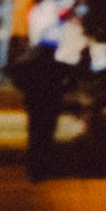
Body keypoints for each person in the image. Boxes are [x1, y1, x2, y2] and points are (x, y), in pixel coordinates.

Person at [10, 41, 70, 179]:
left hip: (35, 103)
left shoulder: (31, 65)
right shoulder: (56, 66)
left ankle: (34, 166)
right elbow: (72, 78)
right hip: (50, 103)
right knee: (46, 134)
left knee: (35, 134)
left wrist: (26, 89)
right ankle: (43, 166)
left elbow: (16, 73)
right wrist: (62, 90)